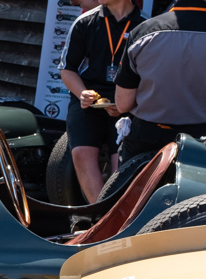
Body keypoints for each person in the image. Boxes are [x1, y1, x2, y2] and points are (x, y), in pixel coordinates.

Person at [113, 0, 206, 164]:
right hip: (202, 139)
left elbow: (122, 103)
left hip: (147, 137)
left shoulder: (142, 31)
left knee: (130, 188)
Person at [59, 0, 145, 203]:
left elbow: (151, 78)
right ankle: (99, 215)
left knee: (122, 164)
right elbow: (67, 69)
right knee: (81, 153)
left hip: (129, 104)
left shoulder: (144, 27)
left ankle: (116, 216)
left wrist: (128, 103)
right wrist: (82, 94)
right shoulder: (85, 22)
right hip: (89, 102)